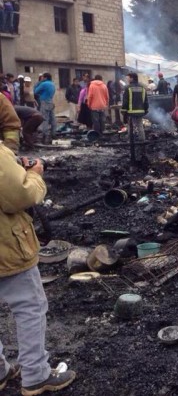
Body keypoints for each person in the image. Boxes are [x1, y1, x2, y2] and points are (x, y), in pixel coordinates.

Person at [0, 143, 77, 395]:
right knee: (29, 306)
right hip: (6, 245)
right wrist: (34, 174)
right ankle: (36, 375)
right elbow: (20, 196)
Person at [121, 73, 149, 162]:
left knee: (130, 126)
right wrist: (145, 110)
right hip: (140, 111)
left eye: (128, 78)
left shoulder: (128, 88)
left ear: (132, 78)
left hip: (131, 111)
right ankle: (142, 142)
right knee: (140, 126)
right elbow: (146, 101)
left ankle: (130, 140)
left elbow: (125, 101)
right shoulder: (142, 88)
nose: (127, 79)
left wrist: (123, 111)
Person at [33, 73, 55, 144]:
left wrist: (39, 82)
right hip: (51, 101)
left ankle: (45, 136)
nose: (42, 78)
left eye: (43, 77)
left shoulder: (43, 84)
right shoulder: (52, 84)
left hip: (44, 101)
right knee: (52, 119)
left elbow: (35, 91)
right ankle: (53, 133)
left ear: (45, 77)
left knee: (44, 119)